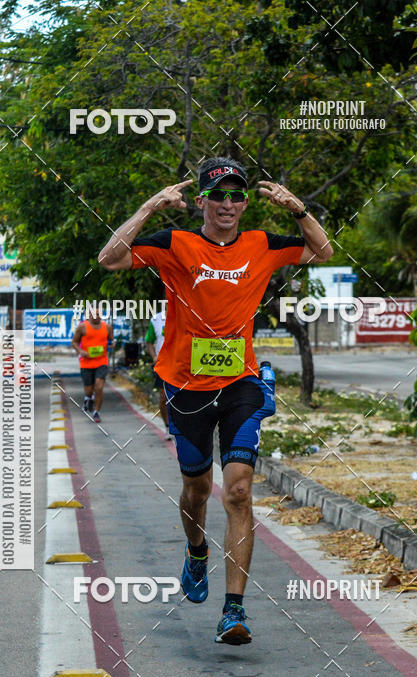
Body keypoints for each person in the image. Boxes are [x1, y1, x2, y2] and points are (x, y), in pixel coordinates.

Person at [98, 157, 332, 644]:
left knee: (240, 490)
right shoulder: (174, 243)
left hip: (241, 382)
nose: (228, 203)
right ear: (201, 200)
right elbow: (110, 258)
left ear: (246, 201)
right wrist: (149, 207)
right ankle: (197, 549)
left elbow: (323, 251)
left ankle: (234, 610)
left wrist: (298, 209)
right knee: (197, 489)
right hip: (185, 385)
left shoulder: (262, 244)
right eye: (218, 194)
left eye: (236, 194)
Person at [71, 305, 113, 423]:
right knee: (89, 390)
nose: (96, 317)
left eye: (99, 314)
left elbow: (110, 339)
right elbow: (74, 342)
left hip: (101, 361)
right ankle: (88, 398)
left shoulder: (108, 327)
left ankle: (96, 412)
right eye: (93, 315)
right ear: (88, 315)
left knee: (99, 387)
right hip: (86, 363)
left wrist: (112, 344)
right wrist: (80, 351)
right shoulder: (82, 327)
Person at [144, 308, 170, 436]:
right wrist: (154, 356)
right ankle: (167, 427)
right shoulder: (156, 319)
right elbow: (149, 341)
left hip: (182, 365)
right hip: (163, 364)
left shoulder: (187, 314)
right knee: (163, 397)